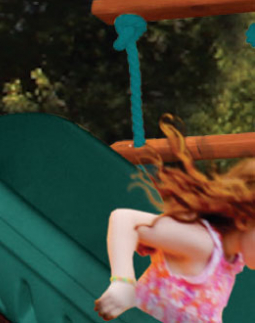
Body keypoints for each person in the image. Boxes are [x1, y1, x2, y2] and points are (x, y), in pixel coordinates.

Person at [96, 121, 255, 323]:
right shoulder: (202, 244)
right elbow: (125, 219)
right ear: (244, 220)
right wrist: (123, 282)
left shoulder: (231, 260)